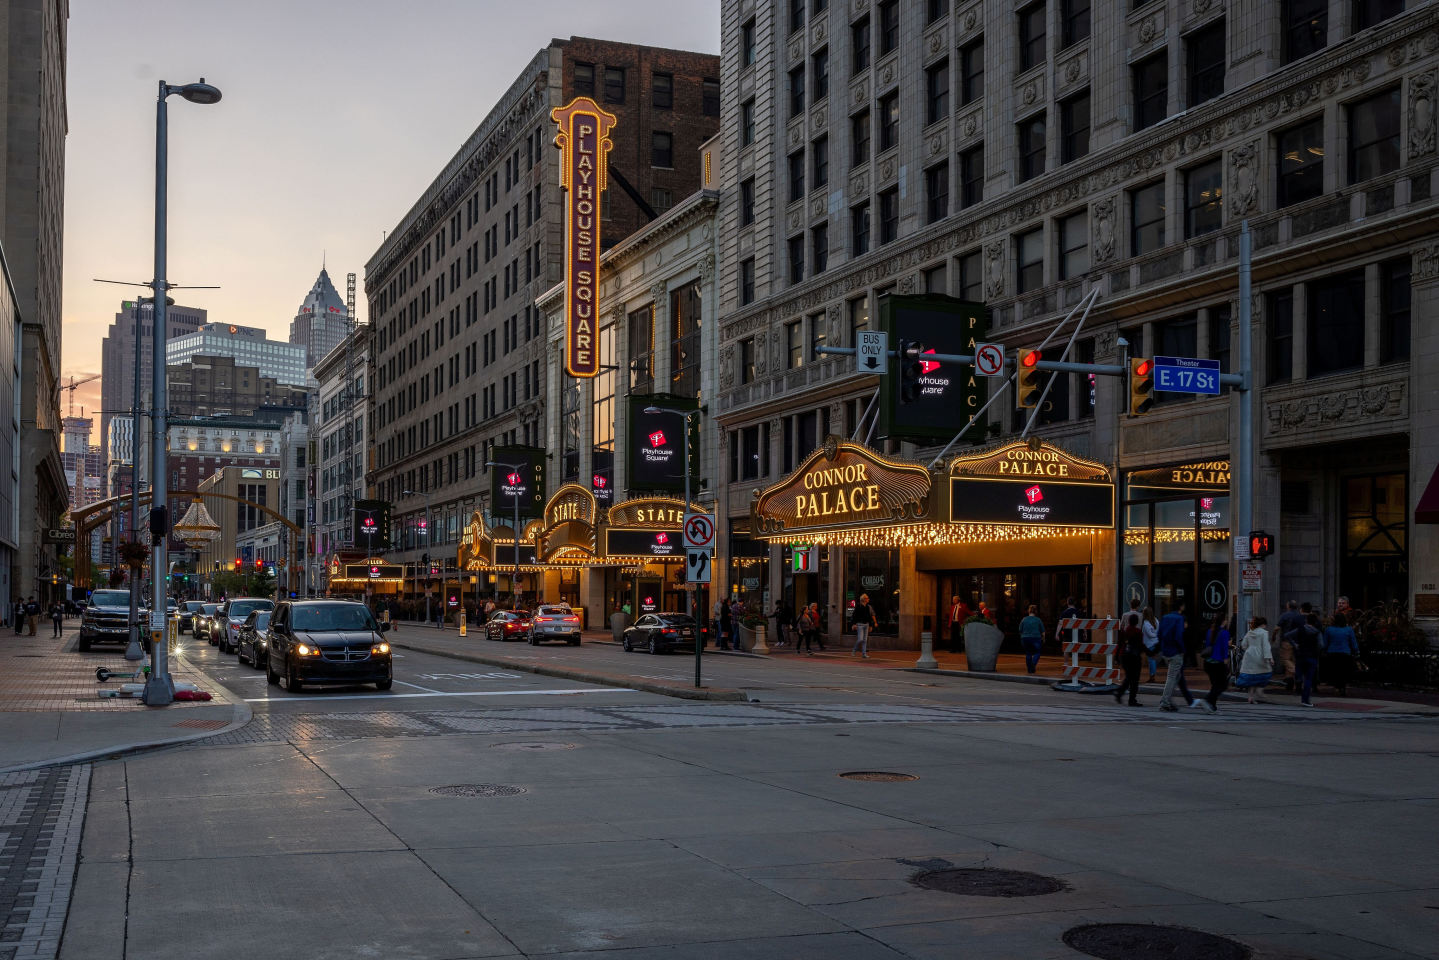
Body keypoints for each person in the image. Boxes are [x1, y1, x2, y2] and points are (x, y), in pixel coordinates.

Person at [1157, 602, 1199, 712]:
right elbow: (1178, 636)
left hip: (1165, 651)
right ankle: (1164, 702)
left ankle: (1168, 701)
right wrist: (1182, 650)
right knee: (1172, 677)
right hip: (1175, 652)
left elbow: (1159, 634)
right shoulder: (1179, 619)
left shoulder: (1165, 617)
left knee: (1176, 677)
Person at [1234, 616, 1275, 703]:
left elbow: (1243, 645)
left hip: (1249, 656)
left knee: (1251, 677)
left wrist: (1250, 649)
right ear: (1263, 624)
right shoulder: (1264, 633)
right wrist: (1270, 658)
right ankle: (1259, 690)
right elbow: (1266, 646)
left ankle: (1250, 697)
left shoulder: (1250, 632)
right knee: (1265, 673)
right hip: (1260, 656)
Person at [1199, 614, 1232, 713]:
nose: (1227, 621)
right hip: (1218, 662)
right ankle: (1207, 700)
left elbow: (1209, 645)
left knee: (1215, 684)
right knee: (1223, 685)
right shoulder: (1224, 633)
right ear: (1223, 621)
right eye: (1226, 619)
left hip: (1208, 662)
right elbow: (1224, 648)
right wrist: (1226, 659)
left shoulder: (1210, 631)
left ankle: (1212, 705)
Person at [1115, 600, 1146, 706]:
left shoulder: (1124, 615)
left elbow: (1121, 627)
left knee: (1129, 676)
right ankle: (1130, 698)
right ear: (1138, 606)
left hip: (1125, 647)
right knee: (1133, 677)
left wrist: (1117, 654)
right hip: (1135, 649)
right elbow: (1140, 628)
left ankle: (1121, 694)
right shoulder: (1140, 616)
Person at [1322, 612, 1360, 697]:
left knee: (1335, 671)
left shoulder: (1329, 629)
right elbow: (1353, 642)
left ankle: (1337, 687)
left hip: (1332, 653)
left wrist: (1324, 651)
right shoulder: (1349, 629)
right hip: (1345, 653)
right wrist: (1356, 651)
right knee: (1344, 671)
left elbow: (1325, 643)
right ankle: (1342, 687)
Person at [1295, 612, 1323, 707]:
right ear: (1315, 622)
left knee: (1299, 668)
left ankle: (1298, 677)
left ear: (1306, 621)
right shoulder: (1317, 632)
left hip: (1301, 654)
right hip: (1312, 655)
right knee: (1308, 679)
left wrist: (1295, 645)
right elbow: (1321, 645)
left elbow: (1288, 635)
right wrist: (1316, 650)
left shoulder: (1300, 629)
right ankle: (1305, 699)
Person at [1276, 600, 1304, 692]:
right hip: (1298, 642)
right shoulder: (1300, 615)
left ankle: (1296, 672)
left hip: (1287, 641)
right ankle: (1291, 684)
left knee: (1286, 660)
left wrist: (1273, 636)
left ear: (1288, 606)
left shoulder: (1285, 615)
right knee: (1293, 661)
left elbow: (1277, 628)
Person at [1018, 604, 1044, 674]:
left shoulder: (1024, 619)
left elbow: (1020, 629)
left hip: (1025, 638)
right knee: (1037, 653)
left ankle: (1029, 669)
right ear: (1036, 611)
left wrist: (1023, 636)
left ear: (1029, 611)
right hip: (1036, 638)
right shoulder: (1038, 620)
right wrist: (1043, 639)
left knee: (1028, 653)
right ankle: (1033, 664)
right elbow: (1043, 631)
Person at [851, 593, 876, 659]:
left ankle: (864, 654)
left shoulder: (868, 607)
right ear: (863, 599)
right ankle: (854, 650)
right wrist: (854, 624)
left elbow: (869, 617)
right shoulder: (858, 606)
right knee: (860, 639)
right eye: (867, 598)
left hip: (866, 624)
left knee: (865, 640)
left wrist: (870, 625)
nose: (868, 599)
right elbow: (854, 616)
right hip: (860, 625)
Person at [1141, 606, 1161, 681]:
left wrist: (1154, 635)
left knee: (1151, 660)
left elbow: (1149, 634)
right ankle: (1152, 675)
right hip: (1155, 642)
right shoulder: (1156, 620)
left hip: (1149, 644)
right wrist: (1157, 635)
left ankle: (1152, 676)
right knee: (1152, 660)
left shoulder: (1146, 623)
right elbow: (1158, 630)